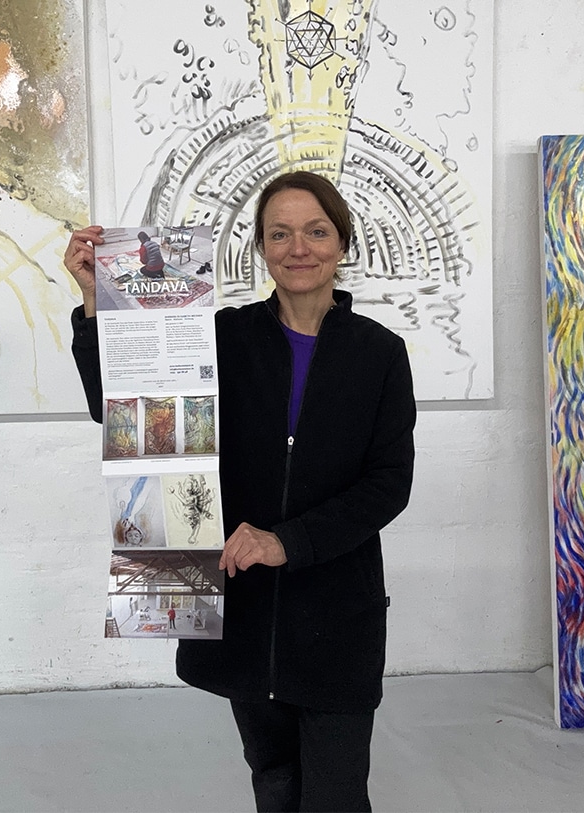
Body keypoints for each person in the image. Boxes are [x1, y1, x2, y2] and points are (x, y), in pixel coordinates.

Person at [64, 170, 416, 812]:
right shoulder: (220, 337)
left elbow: (389, 484)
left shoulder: (380, 353)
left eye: (316, 232)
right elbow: (124, 409)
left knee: (336, 795)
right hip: (243, 608)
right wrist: (96, 304)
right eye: (279, 234)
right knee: (273, 777)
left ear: (342, 243)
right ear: (260, 247)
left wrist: (287, 542)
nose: (298, 248)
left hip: (337, 615)